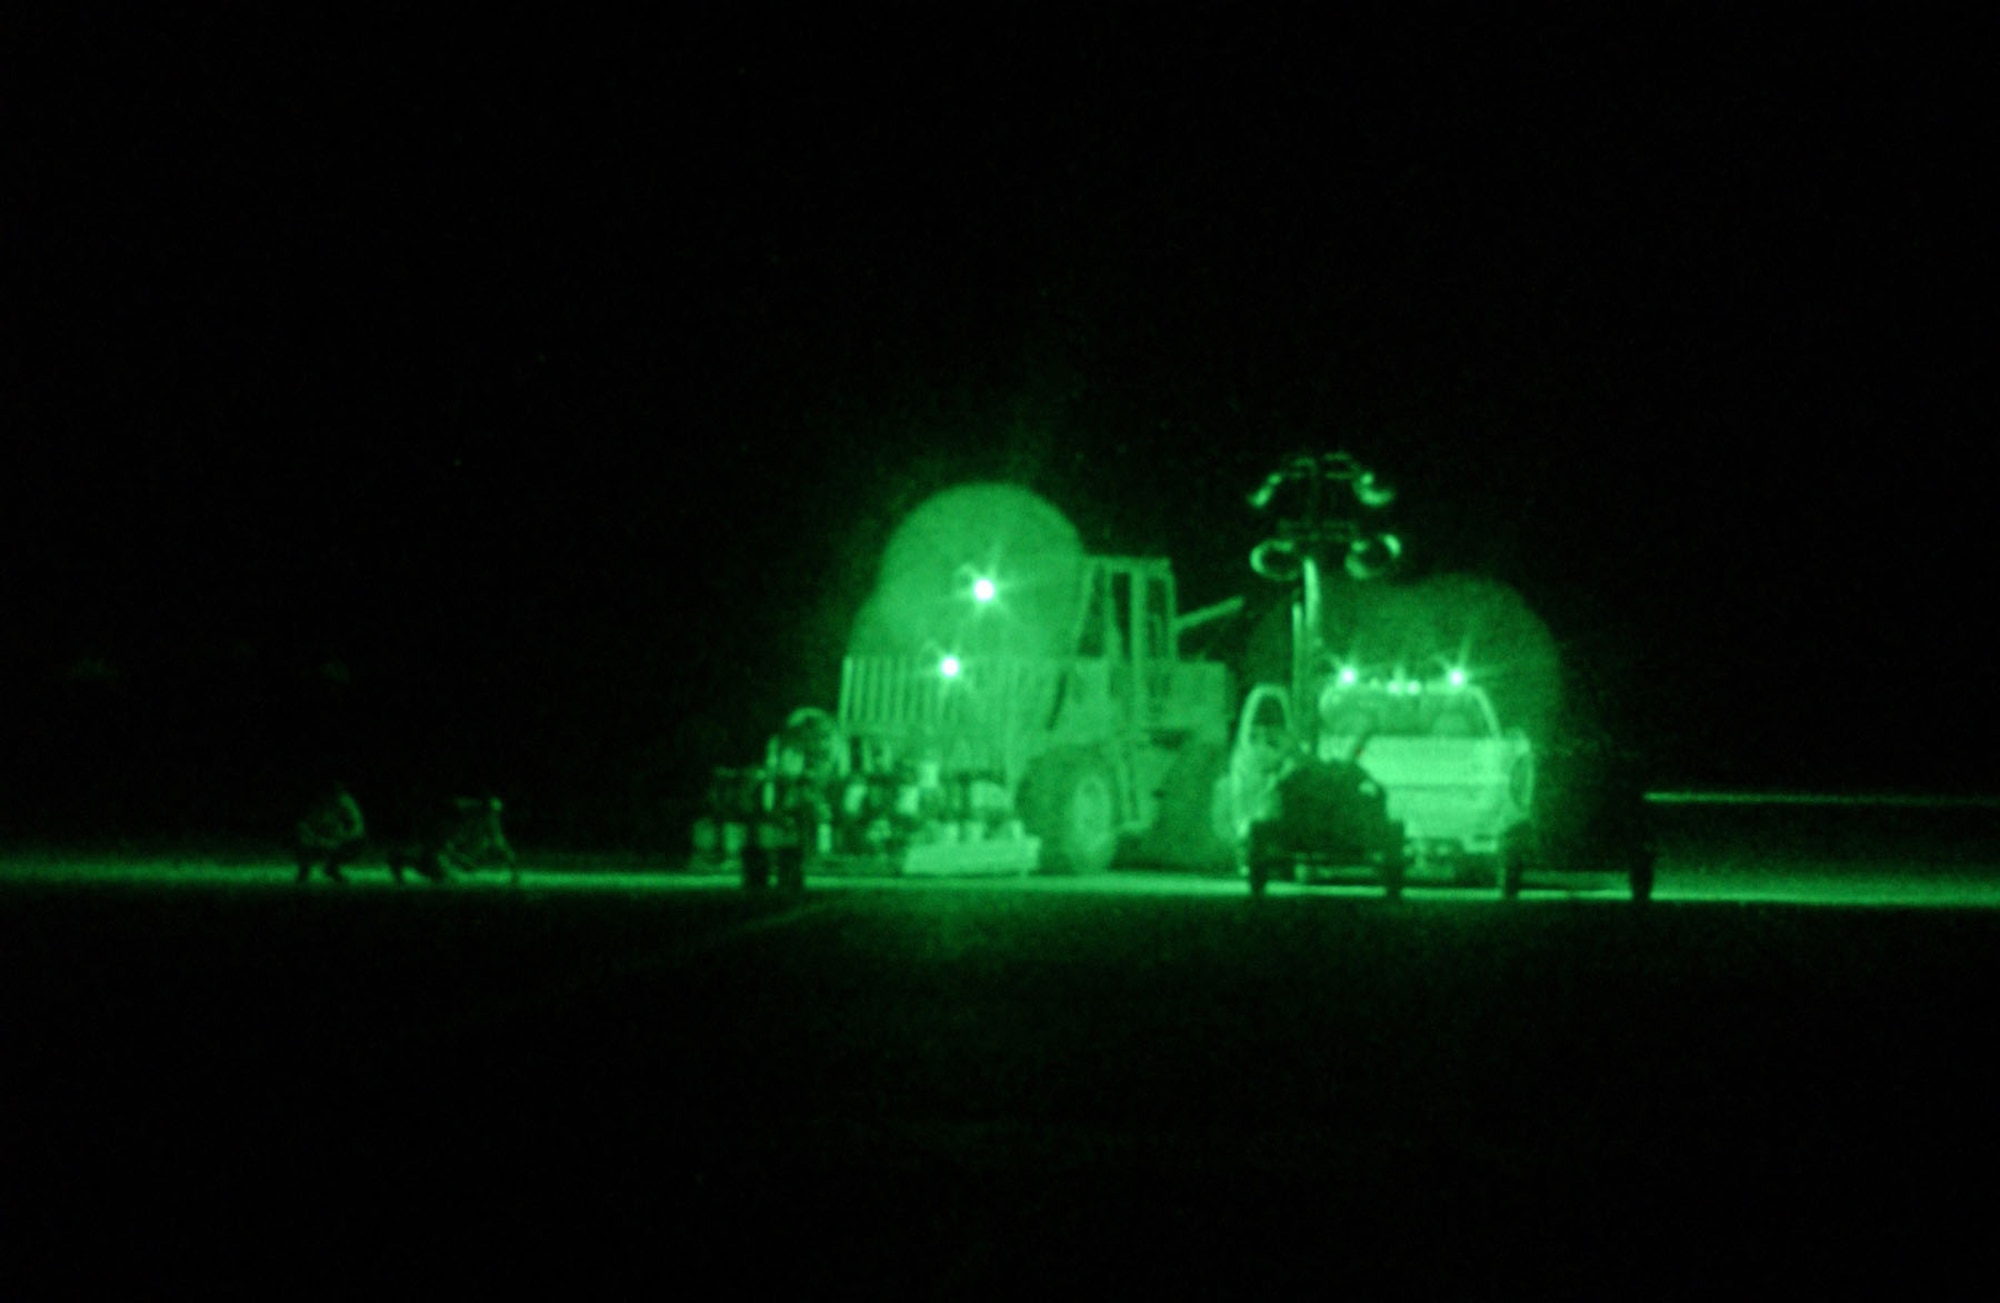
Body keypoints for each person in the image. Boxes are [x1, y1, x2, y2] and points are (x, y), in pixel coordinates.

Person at [296, 781, 366, 884]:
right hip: (320, 838)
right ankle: (305, 869)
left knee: (357, 840)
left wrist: (340, 839)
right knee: (302, 834)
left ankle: (331, 867)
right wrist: (316, 837)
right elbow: (305, 825)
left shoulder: (344, 802)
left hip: (340, 840)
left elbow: (356, 828)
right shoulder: (320, 803)